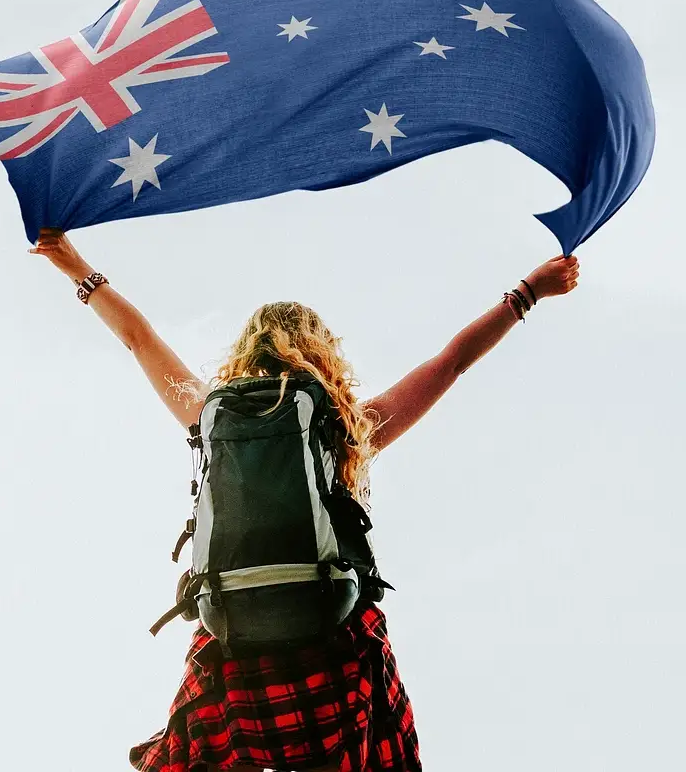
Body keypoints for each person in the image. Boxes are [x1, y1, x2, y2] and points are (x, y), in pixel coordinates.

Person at [29, 227, 579, 772]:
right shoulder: (344, 426)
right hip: (334, 652)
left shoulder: (211, 415)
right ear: (322, 354)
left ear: (246, 352)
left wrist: (77, 268)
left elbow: (138, 339)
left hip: (232, 654)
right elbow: (452, 362)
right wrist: (527, 292)